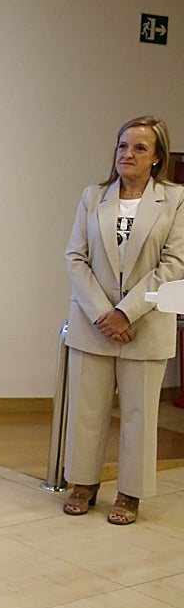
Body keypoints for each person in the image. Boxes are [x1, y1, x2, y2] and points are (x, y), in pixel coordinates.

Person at [63, 116, 184, 525]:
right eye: (122, 146)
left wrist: (125, 313)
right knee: (87, 410)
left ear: (156, 158)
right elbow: (75, 258)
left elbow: (173, 264)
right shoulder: (93, 196)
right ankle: (83, 483)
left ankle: (130, 492)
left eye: (139, 148)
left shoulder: (175, 199)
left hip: (144, 324)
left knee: (139, 414)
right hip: (93, 323)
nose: (127, 155)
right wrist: (104, 314)